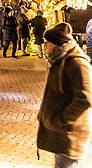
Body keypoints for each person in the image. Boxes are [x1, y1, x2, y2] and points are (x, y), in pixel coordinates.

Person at [37, 22, 92, 167]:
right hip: (61, 135)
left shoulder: (77, 64)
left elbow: (85, 98)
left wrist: (62, 120)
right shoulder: (59, 61)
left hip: (71, 135)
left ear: (56, 44)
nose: (45, 46)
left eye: (47, 42)